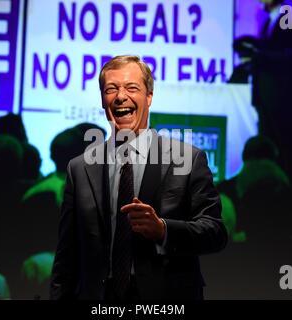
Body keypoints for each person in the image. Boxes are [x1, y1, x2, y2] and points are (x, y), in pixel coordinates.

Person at [50, 55, 227, 300]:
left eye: (131, 87)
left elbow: (215, 232)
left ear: (149, 97)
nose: (120, 96)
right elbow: (66, 258)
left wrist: (163, 230)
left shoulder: (187, 159)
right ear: (103, 100)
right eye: (111, 89)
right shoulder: (79, 169)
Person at [246, 0, 292, 188]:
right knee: (270, 148)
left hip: (286, 101)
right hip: (268, 99)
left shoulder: (287, 16)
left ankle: (286, 192)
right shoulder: (269, 21)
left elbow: (291, 54)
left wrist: (259, 54)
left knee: (287, 152)